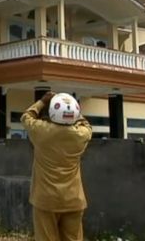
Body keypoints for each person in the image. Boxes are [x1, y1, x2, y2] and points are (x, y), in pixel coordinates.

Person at [20, 91, 92, 241]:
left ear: (52, 111)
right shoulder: (81, 135)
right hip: (74, 200)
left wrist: (43, 101)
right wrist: (72, 110)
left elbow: (26, 117)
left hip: (45, 200)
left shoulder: (41, 131)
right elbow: (86, 125)